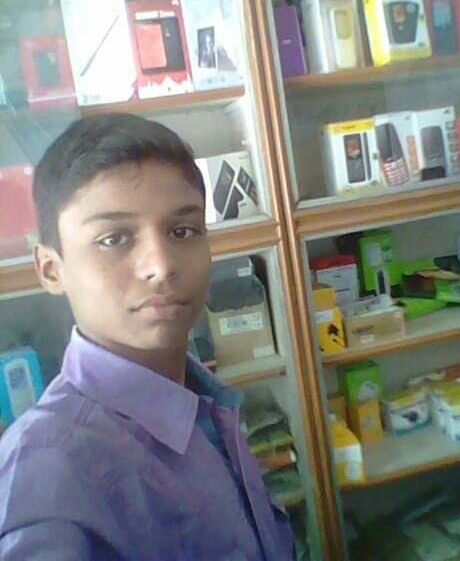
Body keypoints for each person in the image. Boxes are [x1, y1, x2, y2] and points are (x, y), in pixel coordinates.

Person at [0, 114, 294, 560]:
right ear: (51, 269)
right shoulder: (45, 477)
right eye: (114, 239)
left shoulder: (205, 402)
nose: (161, 265)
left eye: (183, 231)